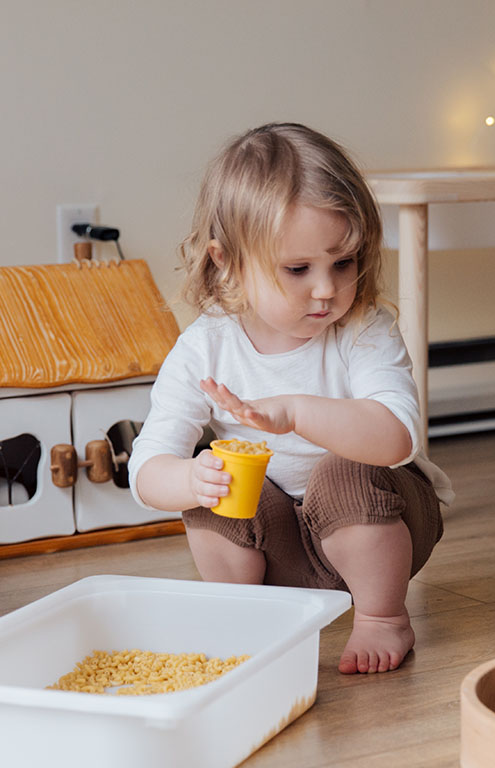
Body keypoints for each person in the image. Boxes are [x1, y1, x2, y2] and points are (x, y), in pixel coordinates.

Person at [128, 122, 454, 675]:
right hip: (278, 548)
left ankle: (382, 619)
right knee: (217, 486)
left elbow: (396, 438)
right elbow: (146, 466)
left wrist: (296, 411)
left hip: (379, 530)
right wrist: (190, 479)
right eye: (299, 269)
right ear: (228, 260)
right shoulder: (205, 346)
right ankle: (247, 615)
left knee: (342, 471)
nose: (326, 289)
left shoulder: (362, 330)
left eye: (343, 263)